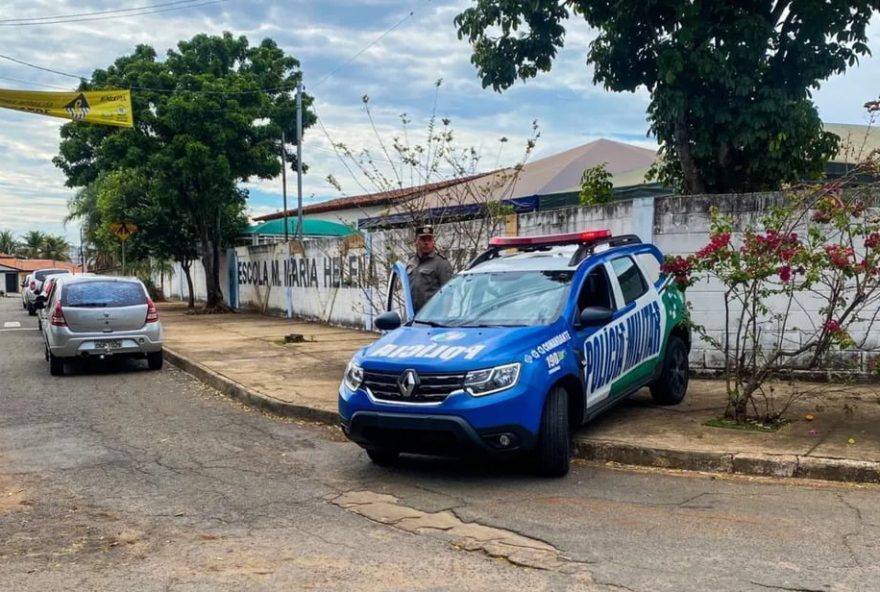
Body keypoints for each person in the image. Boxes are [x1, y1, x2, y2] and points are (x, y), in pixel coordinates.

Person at [406, 224, 453, 313]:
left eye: (429, 239)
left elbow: (448, 294)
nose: (426, 243)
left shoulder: (441, 263)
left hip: (432, 317)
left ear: (433, 242)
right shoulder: (411, 263)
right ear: (416, 241)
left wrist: (444, 319)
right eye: (423, 239)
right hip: (412, 317)